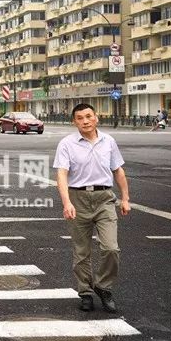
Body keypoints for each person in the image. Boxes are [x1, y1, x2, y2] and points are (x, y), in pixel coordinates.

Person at [53, 103, 130, 313]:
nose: (85, 121)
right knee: (82, 251)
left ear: (96, 118)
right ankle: (85, 292)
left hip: (105, 198)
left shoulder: (109, 141)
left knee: (111, 248)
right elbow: (61, 174)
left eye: (88, 116)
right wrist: (67, 202)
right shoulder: (67, 144)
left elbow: (118, 170)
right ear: (74, 122)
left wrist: (125, 198)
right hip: (78, 198)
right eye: (80, 118)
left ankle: (103, 286)